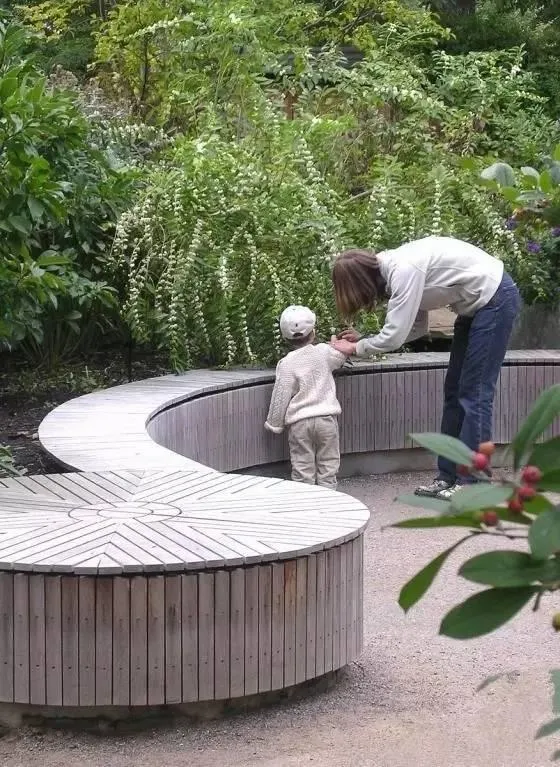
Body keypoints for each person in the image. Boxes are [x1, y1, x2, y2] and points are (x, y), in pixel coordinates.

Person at [329, 235, 521, 500]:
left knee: (475, 395)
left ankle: (471, 485)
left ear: (361, 282)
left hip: (495, 300)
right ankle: (447, 477)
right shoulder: (395, 270)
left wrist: (356, 349)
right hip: (474, 308)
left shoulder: (404, 270)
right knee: (455, 393)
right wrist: (364, 340)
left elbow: (395, 336)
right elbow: (416, 328)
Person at [265, 305, 347, 489]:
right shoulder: (324, 352)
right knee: (329, 465)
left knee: (302, 468)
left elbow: (280, 396)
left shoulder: (286, 364)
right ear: (314, 332)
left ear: (285, 337)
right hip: (326, 418)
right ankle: (329, 503)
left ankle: (306, 506)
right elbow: (341, 356)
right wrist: (335, 342)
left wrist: (275, 423)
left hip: (299, 423)